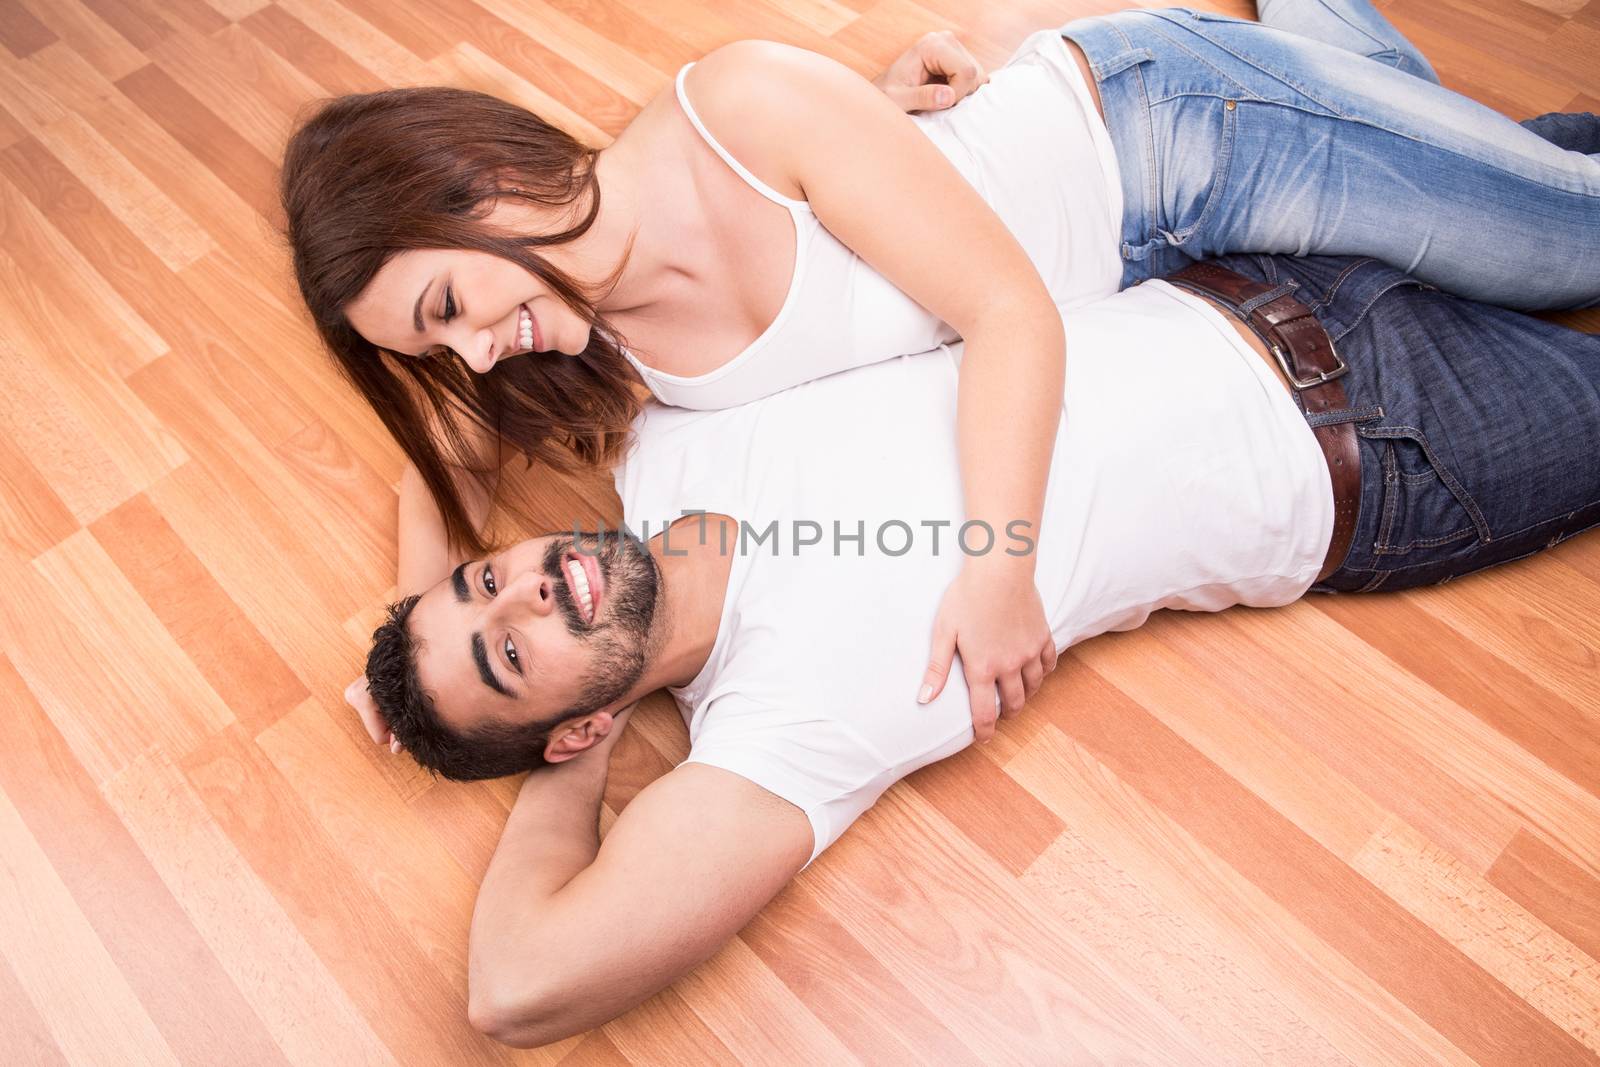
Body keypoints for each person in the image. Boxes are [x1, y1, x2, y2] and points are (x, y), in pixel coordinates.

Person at [351, 244, 1600, 1047]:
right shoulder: (776, 736)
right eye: (509, 650)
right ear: (572, 722)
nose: (526, 589)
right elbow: (511, 986)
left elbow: (440, 458)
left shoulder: (657, 436)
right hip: (1390, 448)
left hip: (1248, 270)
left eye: (486, 581)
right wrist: (578, 752)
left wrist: (417, 639)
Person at [282, 0, 1600, 731]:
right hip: (1166, 278)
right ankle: (1360, 67)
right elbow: (439, 469)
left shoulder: (740, 106)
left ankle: (1299, 49)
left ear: (486, 181)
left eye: (451, 301)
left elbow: (1012, 317)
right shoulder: (580, 343)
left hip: (1180, 135)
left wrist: (997, 566)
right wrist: (413, 668)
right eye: (433, 346)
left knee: (1572, 242)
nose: (474, 349)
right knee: (1502, 173)